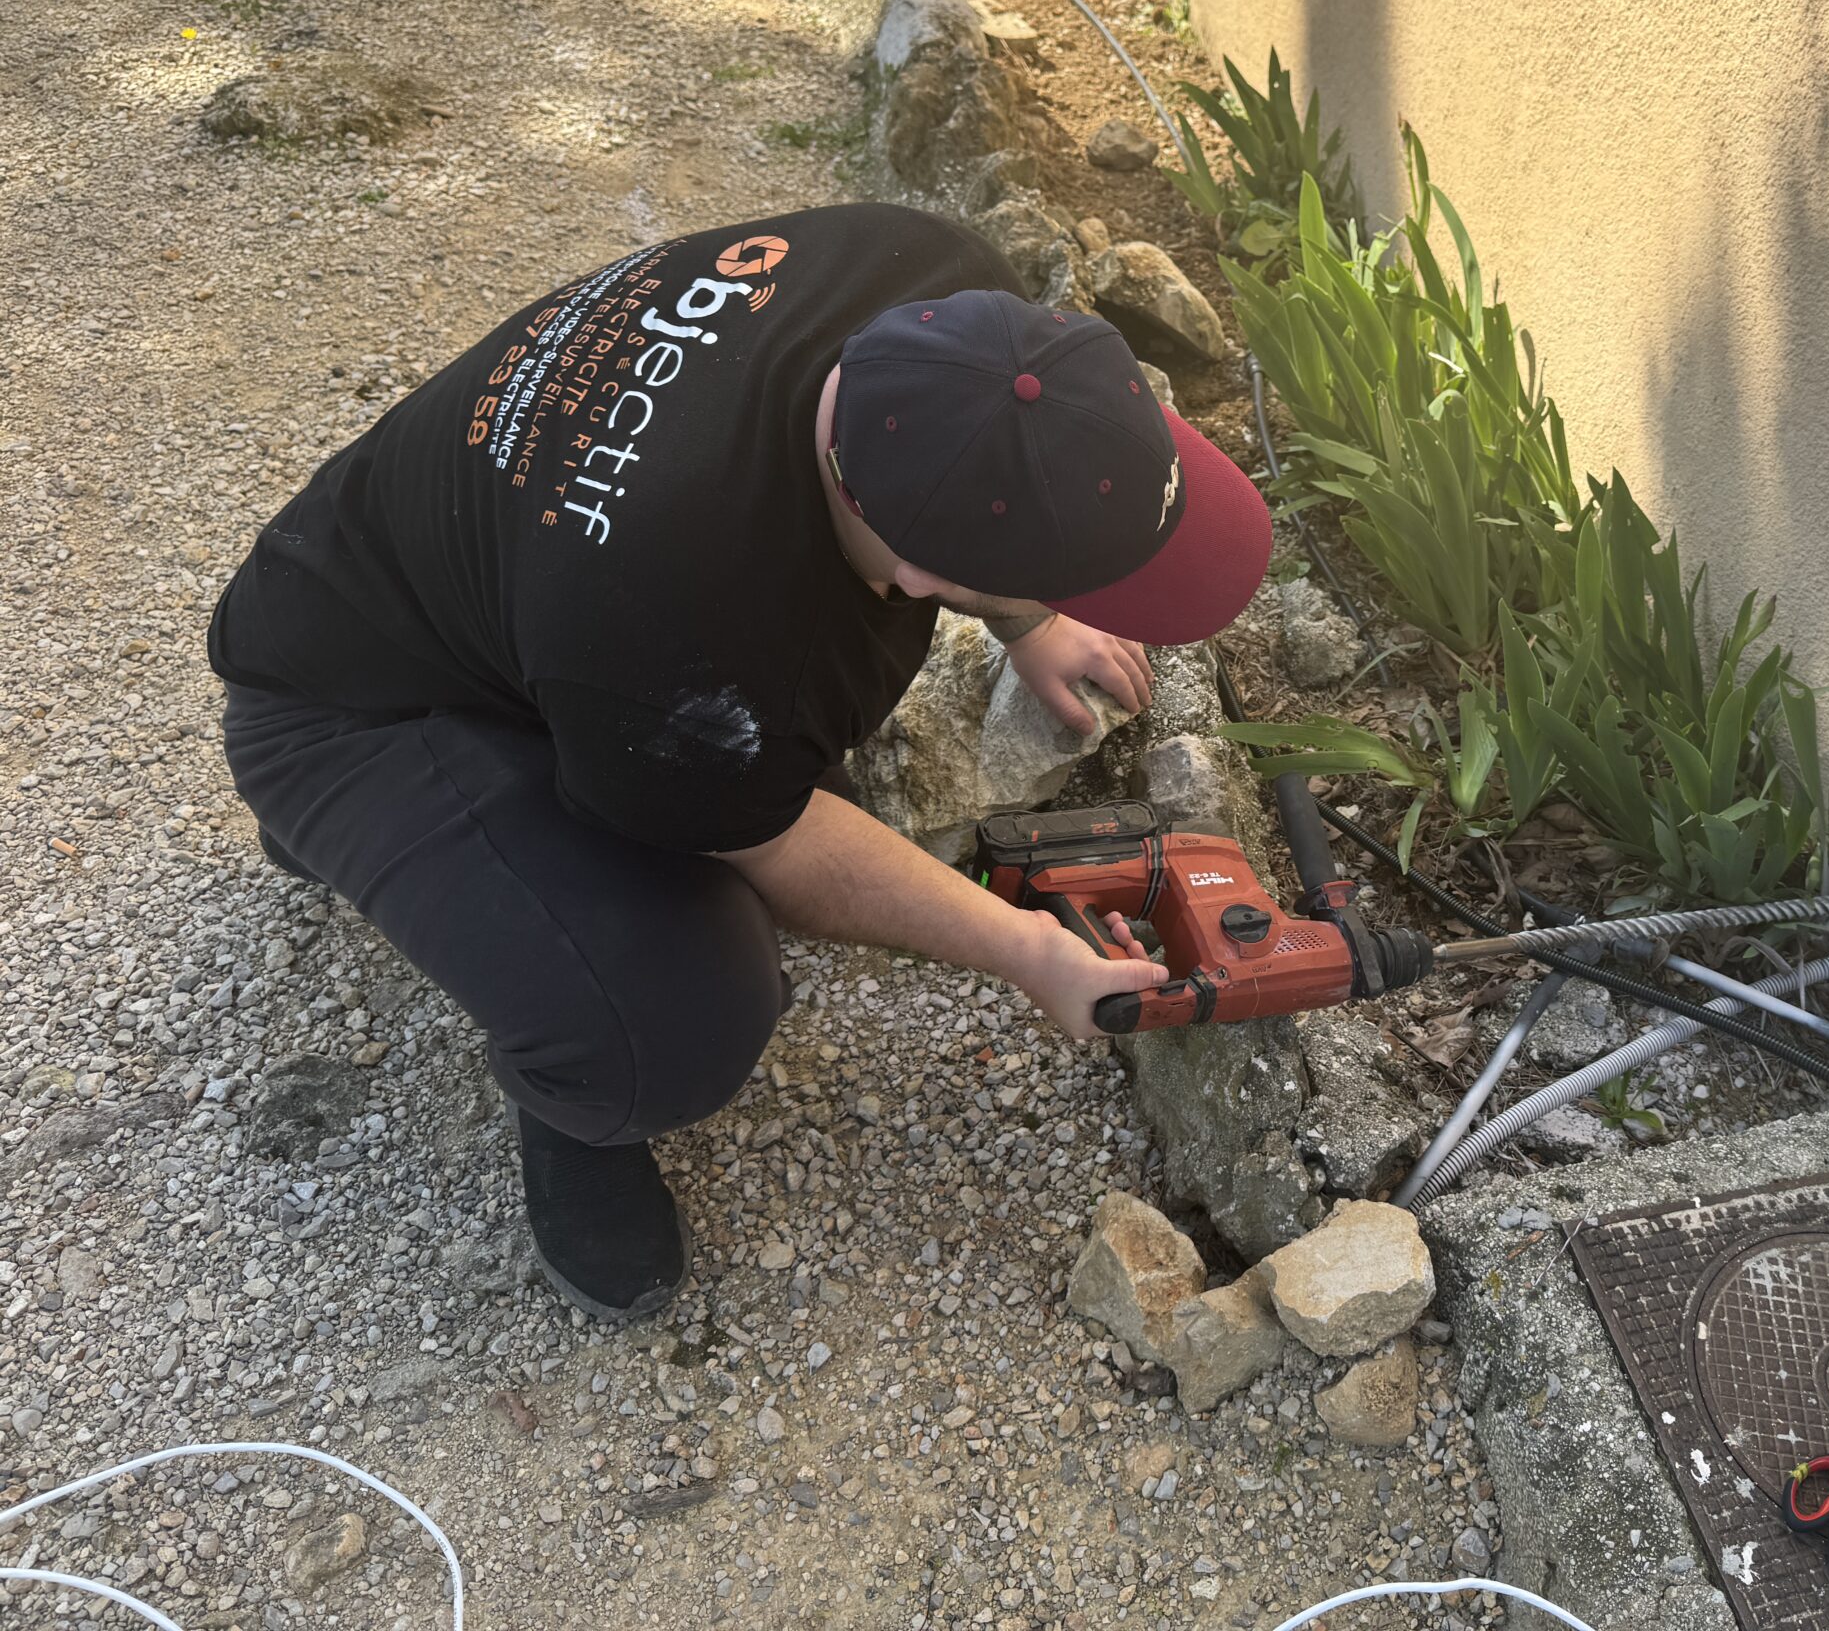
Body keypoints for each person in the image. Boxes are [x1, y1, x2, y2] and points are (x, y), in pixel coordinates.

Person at [206, 203, 1274, 1321]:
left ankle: (436, 855)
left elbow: (985, 460)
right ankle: (570, 1089)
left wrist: (1029, 621)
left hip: (494, 603)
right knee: (687, 1009)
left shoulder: (935, 291)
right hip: (347, 705)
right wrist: (1027, 953)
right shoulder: (682, 623)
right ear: (917, 570)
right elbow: (787, 849)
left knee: (694, 765)